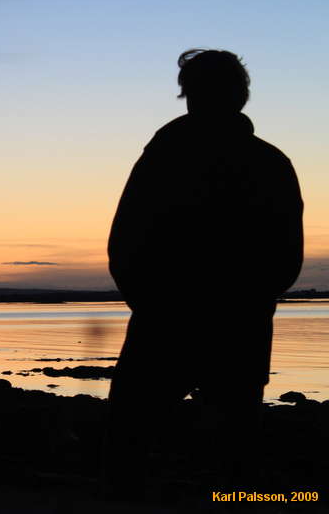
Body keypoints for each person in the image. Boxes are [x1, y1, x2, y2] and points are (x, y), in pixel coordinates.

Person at [102, 49, 303, 499]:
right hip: (221, 319)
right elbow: (287, 253)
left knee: (135, 436)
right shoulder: (268, 162)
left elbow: (125, 238)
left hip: (186, 316)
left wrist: (150, 300)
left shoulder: (166, 158)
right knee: (230, 441)